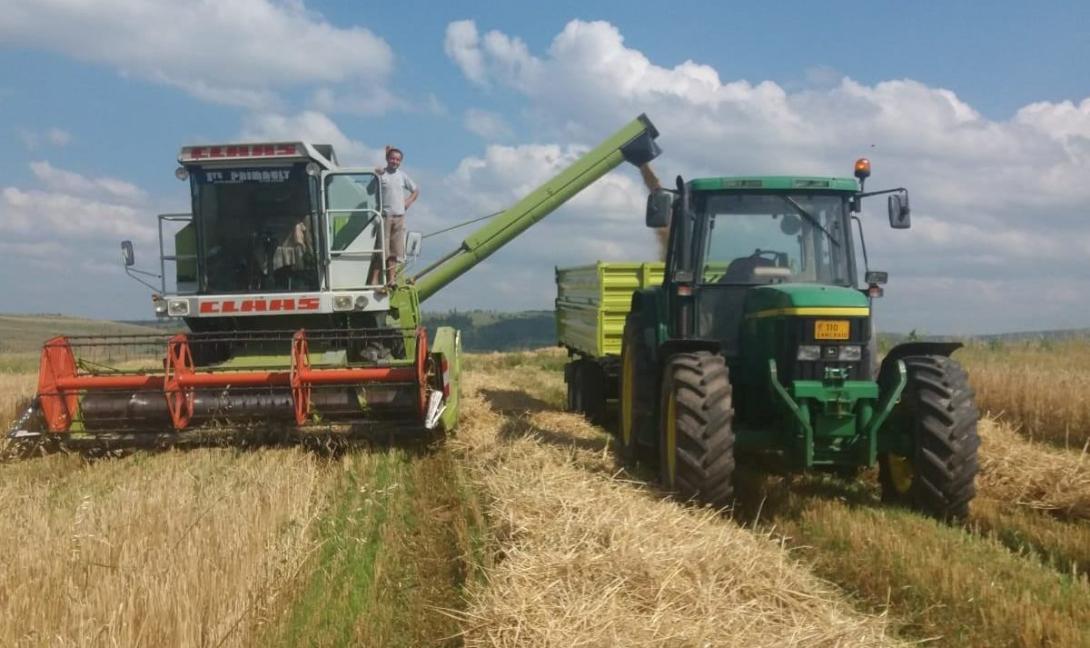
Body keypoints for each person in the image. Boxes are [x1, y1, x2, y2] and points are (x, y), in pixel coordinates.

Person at [372, 146, 419, 287]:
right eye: (392, 158)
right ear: (387, 159)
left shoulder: (403, 176)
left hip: (399, 217)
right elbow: (369, 189)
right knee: (381, 250)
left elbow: (416, 190)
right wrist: (375, 173)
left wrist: (408, 202)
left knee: (394, 252)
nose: (394, 161)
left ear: (400, 162)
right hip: (385, 217)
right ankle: (374, 280)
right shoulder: (381, 174)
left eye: (397, 159)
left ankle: (391, 280)